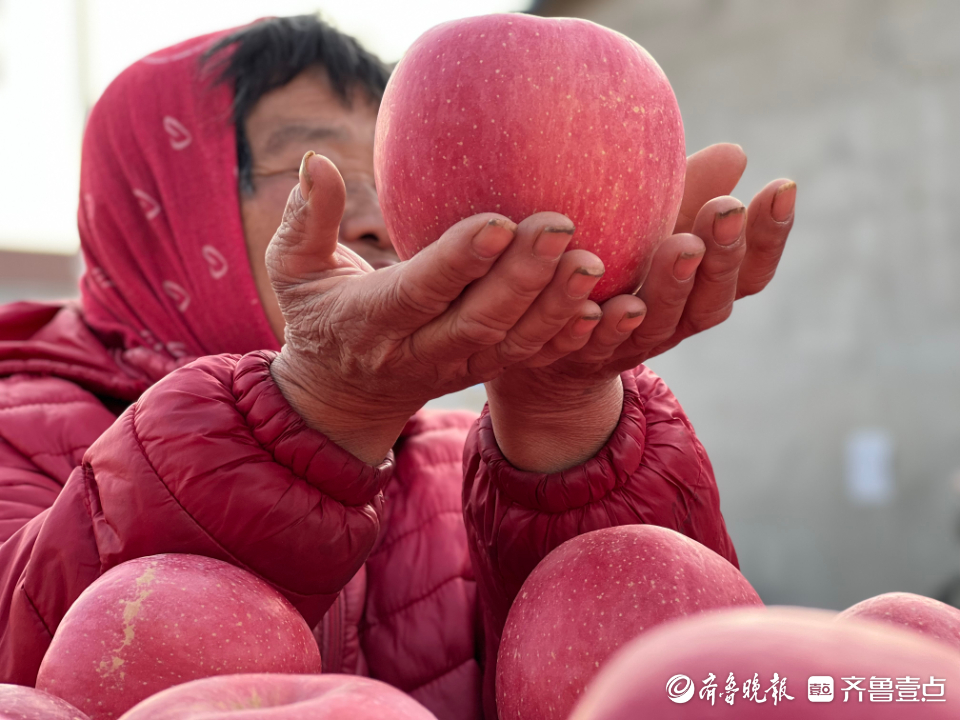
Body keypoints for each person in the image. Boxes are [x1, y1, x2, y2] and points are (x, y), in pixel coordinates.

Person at [0, 15, 796, 720]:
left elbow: (647, 683)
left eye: (395, 175)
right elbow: (43, 674)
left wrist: (565, 411)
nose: (379, 220)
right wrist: (312, 407)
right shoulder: (23, 423)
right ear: (167, 203)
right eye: (323, 177)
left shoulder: (461, 456)